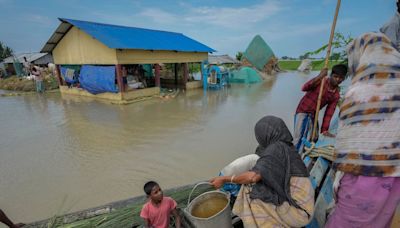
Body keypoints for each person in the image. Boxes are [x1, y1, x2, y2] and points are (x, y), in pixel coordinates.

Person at [325, 32, 400, 227]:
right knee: (382, 216)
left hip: (361, 174)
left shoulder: (358, 92)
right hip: (395, 173)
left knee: (348, 220)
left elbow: (346, 142)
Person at [210, 116, 314, 227]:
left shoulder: (276, 148)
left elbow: (252, 177)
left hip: (298, 212)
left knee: (250, 192)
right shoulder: (287, 148)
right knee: (260, 188)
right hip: (306, 206)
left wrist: (225, 179)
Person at [293, 64, 347, 152]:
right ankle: (294, 156)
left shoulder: (335, 95)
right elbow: (304, 88)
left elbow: (329, 113)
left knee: (314, 137)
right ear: (331, 75)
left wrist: (324, 129)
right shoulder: (321, 81)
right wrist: (320, 76)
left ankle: (306, 154)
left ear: (343, 79)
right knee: (298, 138)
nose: (337, 79)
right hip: (302, 111)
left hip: (313, 114)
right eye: (335, 76)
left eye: (340, 78)